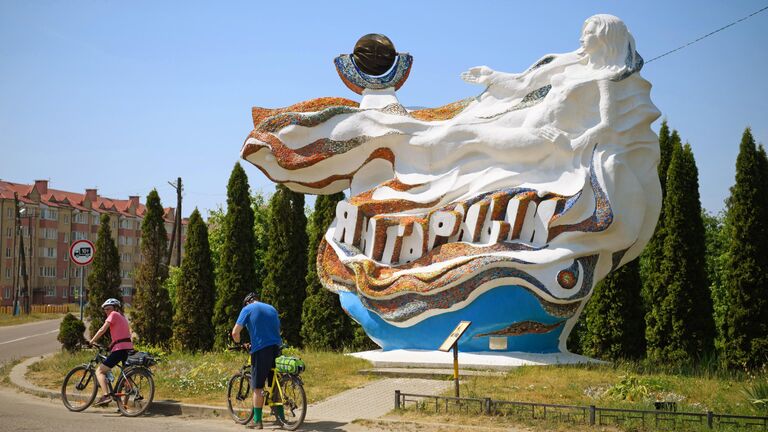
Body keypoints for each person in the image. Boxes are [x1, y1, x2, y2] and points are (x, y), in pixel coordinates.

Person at [231, 292, 283, 429]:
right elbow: (276, 329)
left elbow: (235, 332)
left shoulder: (247, 309)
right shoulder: (271, 308)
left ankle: (257, 420)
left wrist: (239, 343)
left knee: (258, 386)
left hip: (261, 350)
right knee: (275, 383)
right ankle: (281, 417)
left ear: (247, 302)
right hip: (277, 348)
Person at [89, 298, 133, 407]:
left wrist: (92, 341)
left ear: (115, 308)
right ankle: (124, 406)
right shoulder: (123, 317)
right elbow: (121, 336)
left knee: (99, 371)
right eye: (105, 310)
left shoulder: (113, 314)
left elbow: (102, 330)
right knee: (127, 376)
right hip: (127, 349)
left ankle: (106, 395)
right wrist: (110, 346)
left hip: (120, 349)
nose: (106, 311)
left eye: (108, 308)